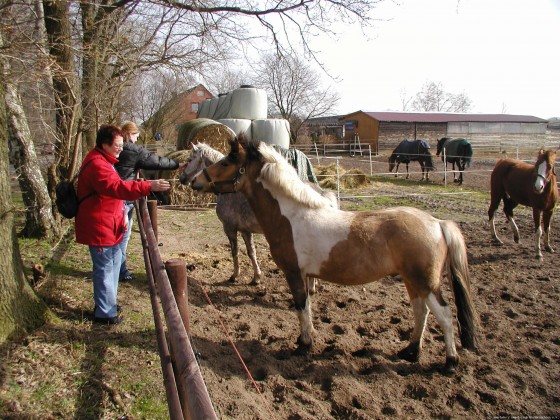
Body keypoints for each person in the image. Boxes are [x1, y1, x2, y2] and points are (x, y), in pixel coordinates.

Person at [75, 124, 171, 324]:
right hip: (100, 225)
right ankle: (105, 313)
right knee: (104, 268)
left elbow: (113, 194)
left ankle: (107, 303)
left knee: (113, 264)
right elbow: (116, 188)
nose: (121, 148)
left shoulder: (104, 160)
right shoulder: (98, 165)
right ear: (104, 144)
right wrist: (148, 185)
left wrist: (121, 218)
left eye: (122, 144)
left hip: (109, 222)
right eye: (117, 145)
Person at [115, 121, 182, 282]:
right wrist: (178, 164)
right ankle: (120, 270)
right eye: (136, 136)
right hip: (125, 198)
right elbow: (157, 161)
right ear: (129, 134)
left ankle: (118, 268)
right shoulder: (131, 149)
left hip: (115, 196)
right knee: (123, 236)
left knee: (118, 236)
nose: (137, 140)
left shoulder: (114, 149)